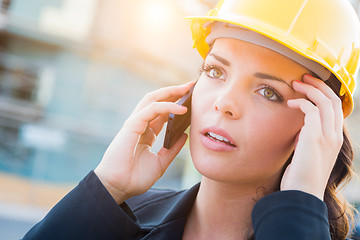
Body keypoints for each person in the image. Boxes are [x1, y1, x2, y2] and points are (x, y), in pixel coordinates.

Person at [23, 0, 360, 239]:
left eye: (268, 92)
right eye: (215, 71)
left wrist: (299, 208)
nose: (224, 102)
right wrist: (107, 187)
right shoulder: (116, 218)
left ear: (316, 127)